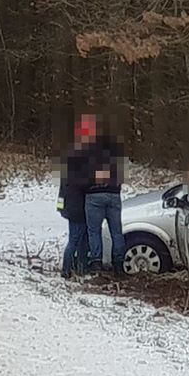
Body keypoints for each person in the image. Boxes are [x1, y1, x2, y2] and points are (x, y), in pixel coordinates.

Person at [84, 114, 127, 275]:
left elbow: (82, 175)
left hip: (94, 194)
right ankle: (119, 264)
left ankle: (96, 262)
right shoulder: (115, 151)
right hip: (113, 194)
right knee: (117, 231)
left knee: (94, 231)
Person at [57, 116, 94, 278]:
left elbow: (64, 184)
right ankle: (67, 270)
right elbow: (79, 182)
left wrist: (60, 205)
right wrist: (94, 180)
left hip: (72, 204)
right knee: (76, 239)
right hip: (77, 205)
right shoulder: (79, 155)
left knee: (82, 239)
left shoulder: (72, 153)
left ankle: (81, 268)